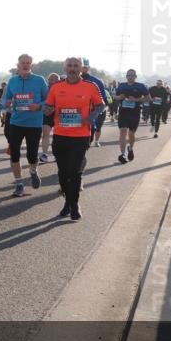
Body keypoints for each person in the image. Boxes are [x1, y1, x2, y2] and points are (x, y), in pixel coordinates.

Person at [44, 57, 103, 221]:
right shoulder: (56, 87)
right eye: (69, 66)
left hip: (80, 136)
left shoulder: (90, 86)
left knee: (74, 172)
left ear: (81, 68)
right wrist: (47, 110)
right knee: (62, 173)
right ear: (65, 68)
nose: (72, 68)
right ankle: (68, 202)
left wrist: (92, 116)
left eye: (76, 66)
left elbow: (101, 105)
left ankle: (74, 205)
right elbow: (48, 105)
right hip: (60, 135)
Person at [2, 54, 49, 196]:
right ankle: (19, 183)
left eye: (28, 63)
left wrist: (38, 106)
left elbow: (48, 101)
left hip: (34, 124)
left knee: (32, 155)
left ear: (31, 65)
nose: (25, 65)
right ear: (18, 65)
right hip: (16, 122)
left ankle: (33, 171)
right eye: (23, 62)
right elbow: (5, 100)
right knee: (14, 153)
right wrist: (6, 103)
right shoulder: (12, 81)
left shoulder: (39, 80)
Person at [113, 70, 150, 165]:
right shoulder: (122, 86)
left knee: (131, 134)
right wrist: (119, 97)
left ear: (135, 76)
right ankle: (123, 154)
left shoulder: (140, 86)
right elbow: (115, 96)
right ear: (126, 76)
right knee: (123, 131)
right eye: (128, 75)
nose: (130, 77)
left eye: (132, 75)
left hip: (135, 112)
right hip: (123, 112)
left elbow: (148, 98)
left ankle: (130, 148)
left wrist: (136, 99)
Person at [80, 59, 112, 147]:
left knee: (95, 129)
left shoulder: (97, 81)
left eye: (84, 67)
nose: (81, 68)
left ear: (88, 68)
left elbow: (104, 100)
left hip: (93, 113)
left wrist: (95, 112)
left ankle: (95, 141)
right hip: (76, 114)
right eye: (79, 66)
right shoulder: (69, 80)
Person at [38, 72, 60, 163]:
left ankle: (57, 154)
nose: (50, 81)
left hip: (59, 114)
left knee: (58, 136)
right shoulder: (45, 89)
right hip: (47, 114)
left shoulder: (62, 88)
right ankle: (45, 154)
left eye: (53, 79)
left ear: (58, 81)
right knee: (45, 133)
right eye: (49, 79)